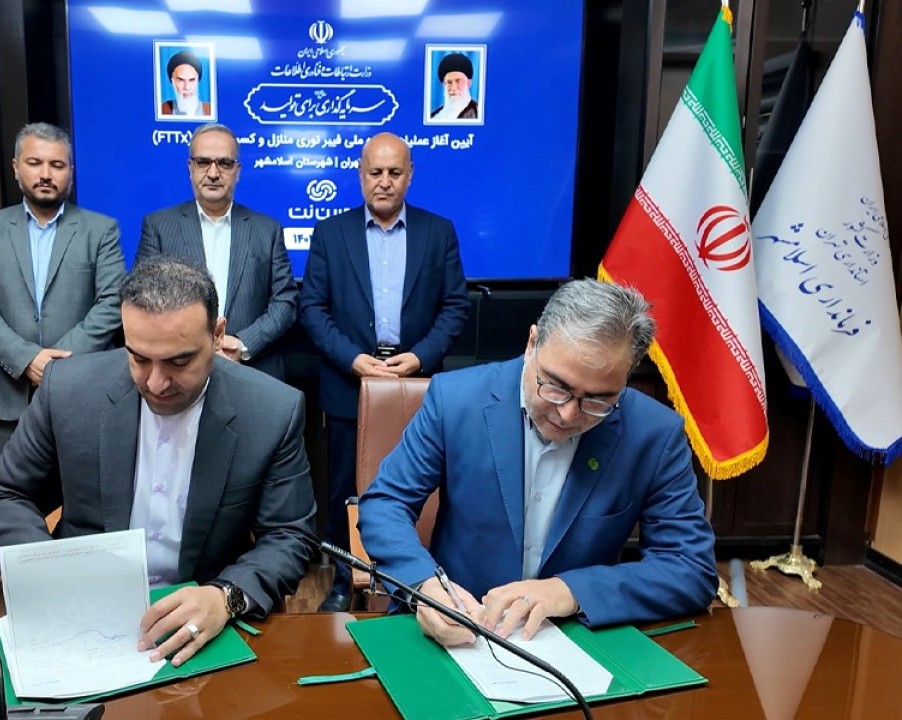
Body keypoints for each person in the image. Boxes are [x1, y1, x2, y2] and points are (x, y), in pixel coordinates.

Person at [0, 256, 316, 667]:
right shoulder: (67, 390)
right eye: (138, 358)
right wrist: (48, 576)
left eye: (179, 361)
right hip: (81, 620)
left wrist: (225, 596)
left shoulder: (271, 410)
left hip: (205, 622)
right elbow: (5, 494)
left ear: (217, 335)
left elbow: (289, 535)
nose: (156, 383)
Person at [359, 279, 718, 646]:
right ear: (532, 343)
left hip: (576, 637)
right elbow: (386, 503)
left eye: (597, 401)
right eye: (556, 387)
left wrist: (571, 591)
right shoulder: (455, 400)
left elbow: (690, 568)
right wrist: (424, 586)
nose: (567, 414)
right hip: (459, 628)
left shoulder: (654, 434)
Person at [298, 132, 469, 612]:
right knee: (345, 491)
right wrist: (354, 360)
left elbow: (455, 307)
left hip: (418, 385)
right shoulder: (331, 233)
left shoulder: (438, 231)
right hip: (350, 383)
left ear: (410, 176)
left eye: (395, 172)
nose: (385, 182)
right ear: (360, 175)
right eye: (376, 172)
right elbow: (312, 309)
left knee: (422, 487)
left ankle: (421, 582)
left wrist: (419, 358)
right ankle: (343, 580)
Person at [0, 122, 125, 459]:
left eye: (57, 165)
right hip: (8, 395)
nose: (46, 174)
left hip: (83, 391)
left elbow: (112, 302)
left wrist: (56, 364)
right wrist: (26, 359)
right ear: (16, 167)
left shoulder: (101, 229)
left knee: (83, 490)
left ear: (71, 172)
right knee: (10, 489)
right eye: (35, 163)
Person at [137, 123, 296, 378]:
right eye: (203, 162)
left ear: (237, 171)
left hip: (253, 371)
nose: (213, 173)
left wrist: (242, 343)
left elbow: (285, 302)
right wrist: (193, 345)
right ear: (190, 168)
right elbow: (143, 300)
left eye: (224, 163)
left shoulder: (268, 230)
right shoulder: (158, 227)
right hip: (178, 369)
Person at [160, 50, 212, 117]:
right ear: (172, 81)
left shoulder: (211, 110)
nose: (187, 87)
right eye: (181, 80)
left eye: (192, 80)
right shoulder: (161, 110)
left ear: (198, 80)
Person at [429, 53, 480, 120]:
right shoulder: (433, 116)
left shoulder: (479, 113)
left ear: (469, 83)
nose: (453, 88)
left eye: (458, 81)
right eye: (449, 82)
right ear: (444, 84)